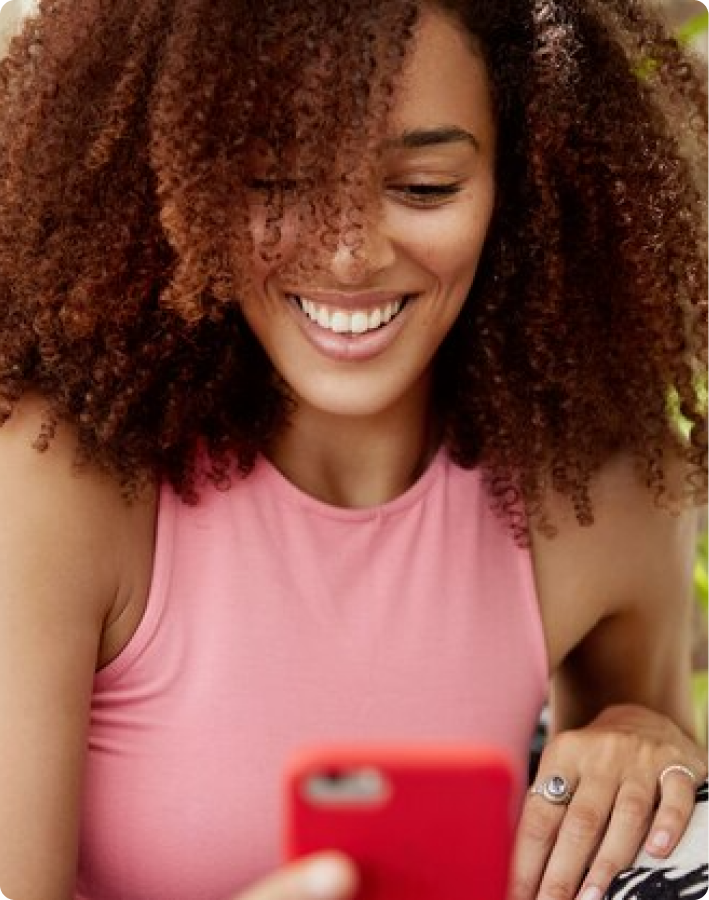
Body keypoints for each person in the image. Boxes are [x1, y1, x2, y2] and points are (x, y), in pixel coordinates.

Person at [1, 0, 709, 898]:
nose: (347, 256)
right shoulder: (59, 481)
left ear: (524, 183)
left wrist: (644, 739)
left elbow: (646, 823)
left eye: (422, 187)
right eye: (276, 185)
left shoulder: (598, 493)